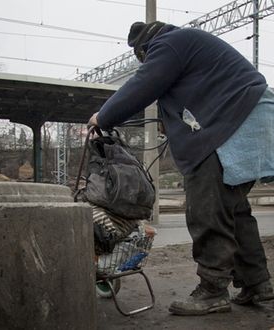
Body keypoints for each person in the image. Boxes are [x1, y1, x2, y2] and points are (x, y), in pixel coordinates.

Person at [88, 20, 274, 316]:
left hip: (233, 126)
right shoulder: (188, 44)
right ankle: (256, 283)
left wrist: (104, 116)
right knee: (234, 211)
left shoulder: (170, 43)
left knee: (206, 209)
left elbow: (144, 83)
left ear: (145, 48)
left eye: (142, 57)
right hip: (252, 122)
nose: (144, 62)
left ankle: (212, 290)